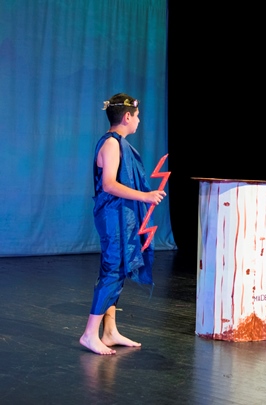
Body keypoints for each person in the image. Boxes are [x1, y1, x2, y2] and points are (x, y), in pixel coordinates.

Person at [79, 93, 166, 355]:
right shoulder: (111, 144)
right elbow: (108, 184)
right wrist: (145, 196)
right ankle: (89, 334)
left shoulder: (117, 143)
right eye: (137, 116)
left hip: (120, 216)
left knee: (117, 268)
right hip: (112, 216)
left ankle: (109, 331)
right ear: (127, 117)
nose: (139, 120)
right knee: (113, 270)